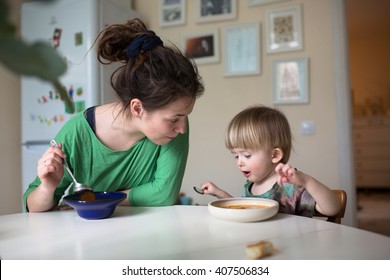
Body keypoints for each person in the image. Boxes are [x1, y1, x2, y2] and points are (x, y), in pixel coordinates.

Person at [24, 18, 204, 212]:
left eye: (184, 116)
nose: (182, 128)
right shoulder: (77, 133)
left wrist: (99, 199)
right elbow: (31, 205)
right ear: (137, 108)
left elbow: (164, 194)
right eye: (174, 118)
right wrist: (47, 188)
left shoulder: (173, 130)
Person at [199, 105, 340, 217]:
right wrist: (219, 193)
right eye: (236, 156)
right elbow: (245, 212)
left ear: (275, 155)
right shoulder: (250, 185)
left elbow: (332, 209)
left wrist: (307, 182)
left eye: (246, 155)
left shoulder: (290, 185)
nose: (239, 162)